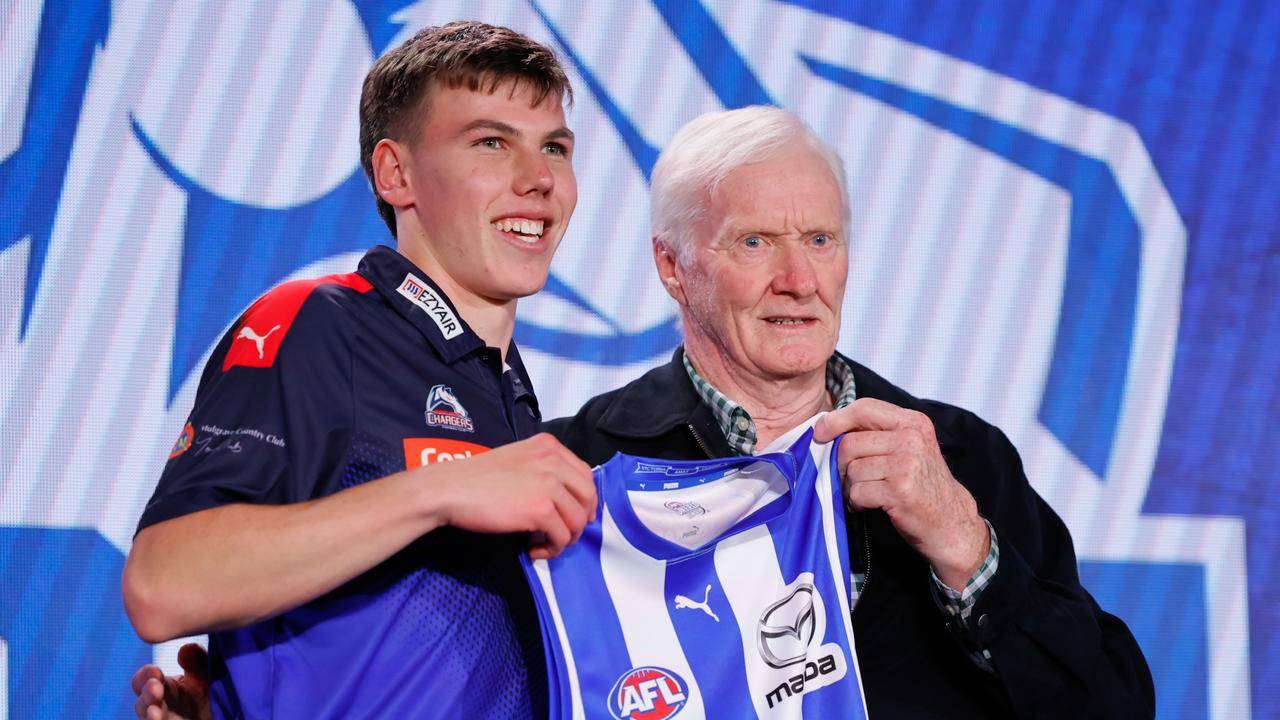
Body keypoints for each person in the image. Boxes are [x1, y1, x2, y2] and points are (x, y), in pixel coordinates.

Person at [134, 105, 1156, 717]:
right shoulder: (570, 469)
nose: (799, 279)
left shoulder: (950, 454)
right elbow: (462, 687)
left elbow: (1111, 706)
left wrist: (961, 546)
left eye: (822, 240)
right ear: (671, 265)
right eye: (753, 243)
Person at [123, 21, 596, 719]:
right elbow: (164, 583)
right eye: (492, 142)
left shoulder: (509, 394)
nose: (540, 180)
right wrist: (438, 491)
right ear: (395, 173)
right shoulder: (323, 325)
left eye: (554, 147)